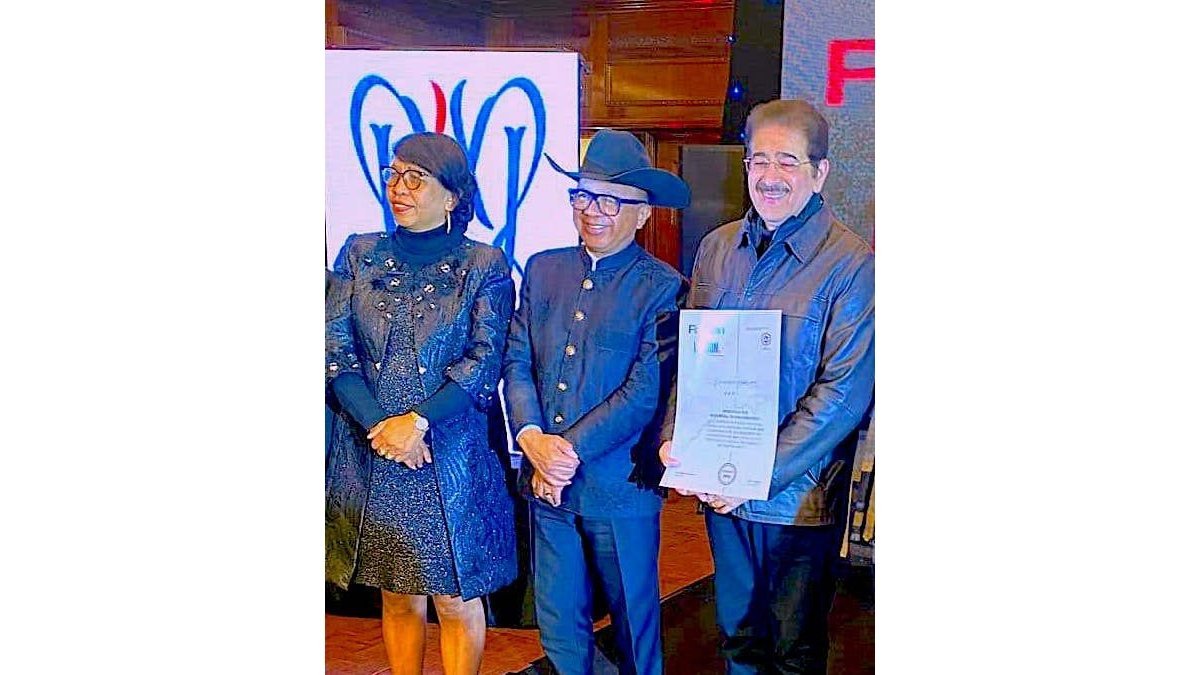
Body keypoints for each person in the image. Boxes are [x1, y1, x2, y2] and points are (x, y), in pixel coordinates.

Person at [660, 99, 875, 675]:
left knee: (792, 650)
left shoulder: (852, 263)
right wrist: (677, 436)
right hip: (721, 486)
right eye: (759, 160)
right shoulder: (718, 248)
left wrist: (755, 475)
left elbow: (842, 395)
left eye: (788, 161)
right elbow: (693, 358)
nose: (770, 176)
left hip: (797, 497)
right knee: (737, 638)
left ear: (819, 172)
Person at [325, 132, 517, 675]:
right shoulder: (359, 254)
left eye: (416, 178)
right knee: (395, 593)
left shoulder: (484, 263)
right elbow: (336, 351)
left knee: (454, 596)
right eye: (394, 175)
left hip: (448, 451)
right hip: (376, 448)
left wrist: (417, 422)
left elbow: (485, 360)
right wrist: (383, 428)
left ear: (452, 195)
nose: (399, 188)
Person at [502, 129, 690, 675]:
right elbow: (517, 360)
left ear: (643, 214)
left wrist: (563, 453)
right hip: (545, 482)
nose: (592, 211)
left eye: (610, 200)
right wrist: (532, 438)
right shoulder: (544, 268)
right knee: (559, 623)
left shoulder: (663, 286)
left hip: (619, 486)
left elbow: (644, 391)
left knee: (635, 627)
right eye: (582, 195)